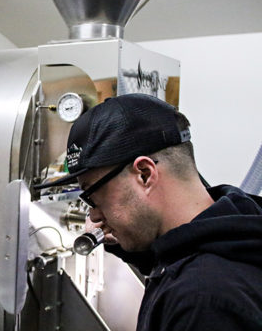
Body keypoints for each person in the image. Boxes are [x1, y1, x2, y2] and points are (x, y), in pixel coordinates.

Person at [42, 93, 262, 330]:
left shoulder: (201, 300)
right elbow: (173, 256)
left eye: (92, 196)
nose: (94, 215)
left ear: (145, 174)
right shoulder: (236, 227)